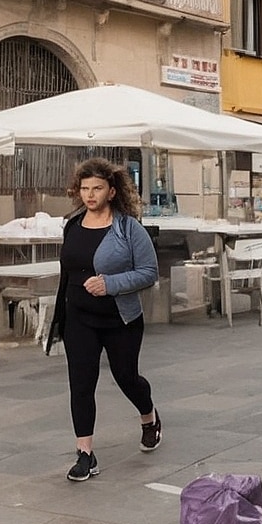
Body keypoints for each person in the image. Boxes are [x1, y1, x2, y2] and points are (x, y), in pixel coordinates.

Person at [46, 157, 161, 483]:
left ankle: (149, 417)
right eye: (85, 188)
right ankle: (85, 453)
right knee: (81, 384)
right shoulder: (72, 225)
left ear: (111, 191)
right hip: (79, 319)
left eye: (97, 188)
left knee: (127, 377)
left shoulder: (128, 228)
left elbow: (149, 272)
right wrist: (60, 318)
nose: (90, 195)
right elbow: (67, 275)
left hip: (119, 319)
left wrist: (110, 284)